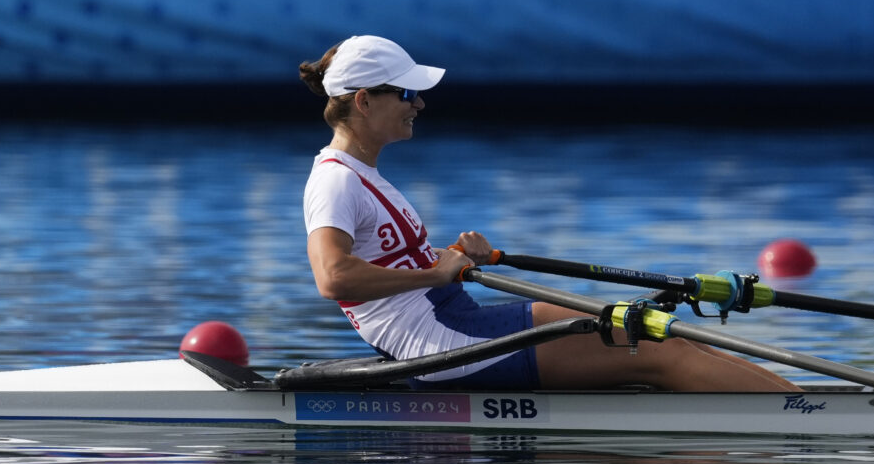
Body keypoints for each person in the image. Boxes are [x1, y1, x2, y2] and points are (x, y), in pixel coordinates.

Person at [299, 35, 800, 392]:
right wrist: (436, 271)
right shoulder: (336, 179)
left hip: (454, 317)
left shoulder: (363, 175)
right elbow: (334, 278)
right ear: (363, 101)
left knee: (653, 329)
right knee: (657, 351)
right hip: (436, 344)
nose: (421, 104)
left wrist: (450, 255)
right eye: (406, 93)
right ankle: (804, 417)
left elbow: (389, 262)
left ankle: (798, 402)